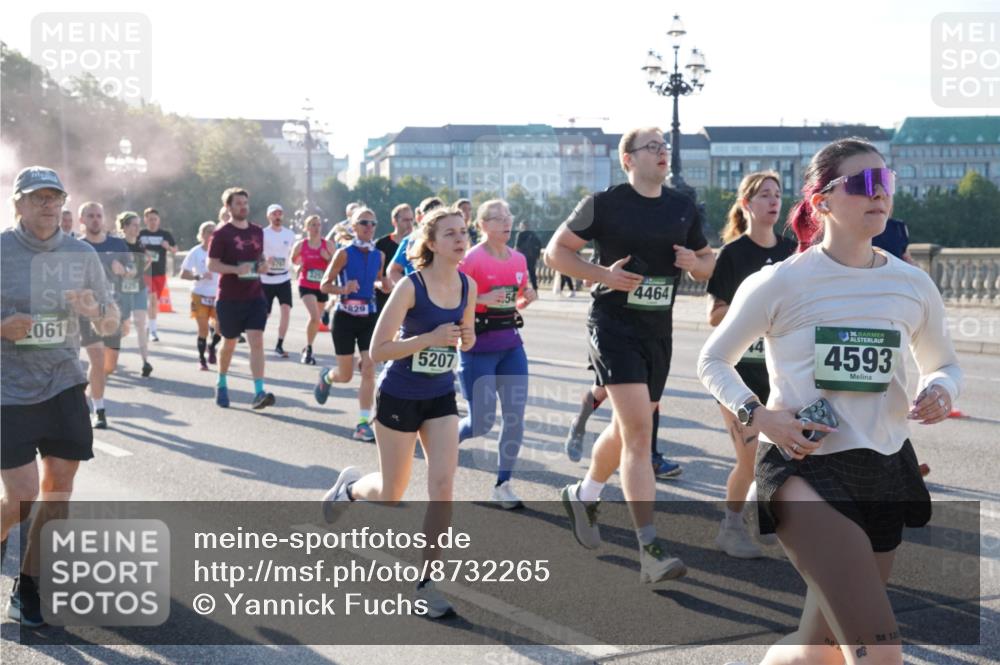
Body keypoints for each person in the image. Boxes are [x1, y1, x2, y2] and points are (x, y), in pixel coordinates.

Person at [698, 138, 961, 665]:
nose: (879, 194)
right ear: (821, 201)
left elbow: (945, 365)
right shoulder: (780, 281)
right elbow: (713, 360)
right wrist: (763, 417)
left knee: (818, 651)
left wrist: (941, 391)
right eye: (863, 184)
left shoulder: (912, 283)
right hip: (804, 471)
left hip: (886, 469)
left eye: (884, 182)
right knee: (881, 654)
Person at [544, 126, 715, 583]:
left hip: (658, 331)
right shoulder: (604, 203)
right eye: (652, 147)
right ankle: (650, 549)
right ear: (628, 159)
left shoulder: (682, 206)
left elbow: (708, 260)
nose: (663, 153)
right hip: (613, 325)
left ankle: (584, 494)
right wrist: (603, 273)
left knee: (625, 429)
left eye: (665, 146)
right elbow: (555, 252)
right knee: (641, 432)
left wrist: (694, 264)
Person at [321, 207, 477, 619]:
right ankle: (350, 490)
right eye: (450, 234)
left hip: (441, 397)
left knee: (443, 486)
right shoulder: (411, 286)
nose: (460, 239)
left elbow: (468, 340)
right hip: (399, 395)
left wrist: (465, 336)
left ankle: (426, 583)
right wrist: (429, 338)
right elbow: (378, 351)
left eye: (463, 232)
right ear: (431, 242)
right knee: (392, 494)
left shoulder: (468, 284)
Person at [2, 166, 120, 627]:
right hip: (7, 388)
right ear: (19, 204)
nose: (49, 206)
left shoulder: (82, 253)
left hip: (64, 382)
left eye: (55, 198)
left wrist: (94, 310)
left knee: (59, 492)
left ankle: (28, 586)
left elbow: (110, 324)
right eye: (38, 198)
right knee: (23, 498)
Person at [705, 171, 796, 559]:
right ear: (747, 205)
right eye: (763, 195)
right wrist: (754, 314)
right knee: (750, 456)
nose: (772, 201)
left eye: (777, 194)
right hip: (738, 375)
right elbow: (714, 315)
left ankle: (766, 515)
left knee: (781, 453)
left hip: (780, 374)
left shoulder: (795, 252)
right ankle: (729, 527)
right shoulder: (734, 254)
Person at [458, 199, 537, 509]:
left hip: (511, 345)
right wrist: (480, 297)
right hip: (478, 347)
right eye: (497, 218)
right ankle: (447, 438)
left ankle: (503, 483)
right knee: (481, 423)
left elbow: (517, 299)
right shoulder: (470, 260)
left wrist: (527, 297)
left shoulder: (518, 259)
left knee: (515, 417)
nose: (506, 222)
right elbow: (454, 299)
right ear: (482, 226)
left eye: (508, 216)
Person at [313, 207, 390, 442]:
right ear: (354, 227)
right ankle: (328, 377)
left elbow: (377, 281)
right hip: (345, 317)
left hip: (368, 317)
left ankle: (362, 423)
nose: (369, 227)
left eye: (373, 223)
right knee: (345, 375)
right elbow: (324, 285)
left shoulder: (379, 255)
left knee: (369, 368)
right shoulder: (343, 254)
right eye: (364, 223)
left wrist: (383, 284)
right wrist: (343, 289)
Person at [207, 187, 275, 410]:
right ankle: (222, 381)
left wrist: (264, 265)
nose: (243, 206)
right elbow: (212, 264)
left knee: (257, 341)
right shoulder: (221, 234)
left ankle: (258, 392)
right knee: (229, 343)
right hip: (229, 298)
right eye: (238, 203)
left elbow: (260, 258)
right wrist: (235, 269)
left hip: (255, 295)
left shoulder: (257, 231)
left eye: (245, 202)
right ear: (228, 207)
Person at [77, 201, 134, 429]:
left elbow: (133, 275)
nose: (95, 220)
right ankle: (99, 411)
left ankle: (90, 390)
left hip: (113, 311)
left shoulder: (117, 244)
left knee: (110, 365)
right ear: (82, 220)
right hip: (88, 313)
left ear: (104, 219)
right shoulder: (76, 247)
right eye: (90, 216)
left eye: (98, 215)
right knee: (97, 361)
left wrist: (126, 271)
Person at [291, 214, 333, 365]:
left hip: (322, 286)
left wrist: (327, 258)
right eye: (313, 225)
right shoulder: (301, 245)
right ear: (307, 228)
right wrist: (297, 267)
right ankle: (309, 349)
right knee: (315, 317)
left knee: (315, 320)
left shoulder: (327, 245)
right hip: (306, 284)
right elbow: (293, 261)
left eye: (318, 224)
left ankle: (308, 345)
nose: (316, 228)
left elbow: (336, 265)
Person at [180, 221, 221, 371]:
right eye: (209, 232)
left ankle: (212, 346)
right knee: (203, 329)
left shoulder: (221, 252)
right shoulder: (196, 252)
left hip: (218, 295)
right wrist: (198, 276)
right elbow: (183, 273)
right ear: (202, 235)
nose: (212, 235)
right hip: (199, 294)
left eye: (214, 232)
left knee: (220, 328)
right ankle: (202, 359)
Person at [117, 211, 154, 376]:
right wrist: (124, 272)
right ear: (124, 227)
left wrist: (137, 271)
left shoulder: (139, 243)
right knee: (122, 328)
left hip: (139, 288)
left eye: (139, 225)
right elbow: (112, 265)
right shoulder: (118, 244)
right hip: (122, 290)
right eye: (134, 225)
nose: (138, 228)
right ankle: (111, 356)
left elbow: (149, 259)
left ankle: (145, 362)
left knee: (140, 323)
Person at [137, 207, 177, 342]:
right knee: (151, 300)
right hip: (144, 272)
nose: (152, 222)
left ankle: (151, 327)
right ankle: (152, 331)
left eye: (155, 219)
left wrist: (169, 247)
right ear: (145, 220)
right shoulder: (140, 234)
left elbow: (175, 250)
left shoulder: (165, 234)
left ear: (159, 220)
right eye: (150, 219)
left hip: (159, 272)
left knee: (154, 302)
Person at [261, 203, 296, 358]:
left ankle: (279, 344)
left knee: (286, 310)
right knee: (265, 314)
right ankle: (258, 342)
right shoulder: (263, 234)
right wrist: (264, 261)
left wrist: (297, 264)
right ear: (269, 216)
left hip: (284, 278)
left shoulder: (289, 234)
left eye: (280, 213)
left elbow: (293, 255)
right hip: (266, 279)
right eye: (274, 214)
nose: (277, 216)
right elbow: (256, 253)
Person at [387, 197, 445, 284]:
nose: (435, 220)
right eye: (432, 216)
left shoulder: (450, 239)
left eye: (440, 217)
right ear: (421, 217)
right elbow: (393, 271)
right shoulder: (411, 240)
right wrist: (411, 290)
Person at [374, 203, 414, 314]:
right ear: (394, 221)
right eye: (405, 220)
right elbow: (372, 276)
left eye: (411, 220)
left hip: (410, 298)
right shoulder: (381, 244)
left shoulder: (418, 243)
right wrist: (380, 284)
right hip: (386, 299)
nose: (409, 224)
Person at [514, 220, 543, 290]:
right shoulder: (534, 234)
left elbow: (517, 247)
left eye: (521, 225)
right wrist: (537, 256)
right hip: (532, 257)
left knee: (519, 273)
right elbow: (539, 245)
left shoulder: (520, 234)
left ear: (523, 226)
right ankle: (535, 289)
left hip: (522, 257)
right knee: (532, 273)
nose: (520, 226)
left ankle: (519, 289)